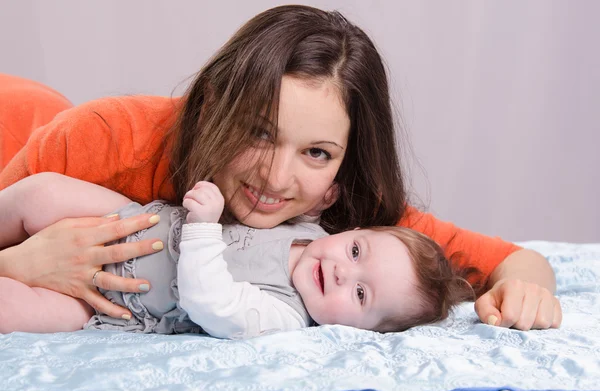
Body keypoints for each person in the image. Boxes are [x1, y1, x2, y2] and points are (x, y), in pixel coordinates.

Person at [0, 5, 561, 331]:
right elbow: (26, 201)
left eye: (316, 152)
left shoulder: (354, 229)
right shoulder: (109, 138)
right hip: (17, 123)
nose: (275, 178)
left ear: (343, 171)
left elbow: (518, 261)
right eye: (260, 132)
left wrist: (525, 293)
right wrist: (22, 260)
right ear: (219, 101)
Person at [0, 173, 477, 337]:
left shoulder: (284, 316)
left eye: (360, 292)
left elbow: (213, 304)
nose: (339, 269)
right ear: (351, 228)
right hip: (132, 221)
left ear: (363, 331)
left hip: (116, 303)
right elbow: (282, 198)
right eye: (356, 251)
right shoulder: (311, 230)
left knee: (13, 308)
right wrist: (318, 192)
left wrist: (206, 227)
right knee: (39, 195)